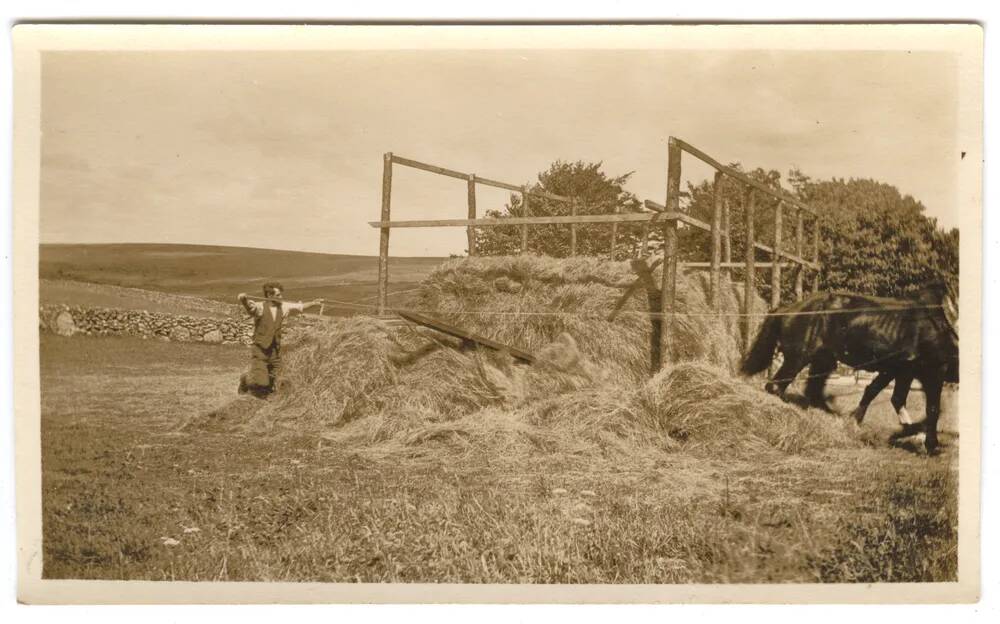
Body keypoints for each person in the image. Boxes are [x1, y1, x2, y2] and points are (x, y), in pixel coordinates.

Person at [237, 282, 322, 397]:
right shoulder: (260, 307)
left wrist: (314, 303)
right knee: (262, 381)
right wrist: (243, 301)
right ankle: (245, 380)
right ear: (269, 295)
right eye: (278, 295)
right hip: (260, 348)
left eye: (281, 294)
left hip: (274, 349)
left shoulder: (283, 306)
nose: (281, 297)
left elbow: (300, 307)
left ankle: (265, 387)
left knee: (277, 374)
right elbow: (250, 309)